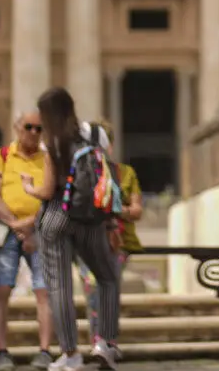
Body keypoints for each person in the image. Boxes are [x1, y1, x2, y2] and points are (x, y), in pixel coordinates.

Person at [21, 89, 121, 371]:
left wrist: (29, 186)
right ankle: (106, 343)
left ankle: (71, 354)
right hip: (91, 217)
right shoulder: (96, 134)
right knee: (107, 278)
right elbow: (107, 177)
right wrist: (111, 222)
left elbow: (48, 189)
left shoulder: (50, 140)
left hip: (56, 217)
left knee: (59, 287)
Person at [0, 111, 56, 370]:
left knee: (44, 292)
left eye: (40, 128)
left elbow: (52, 196)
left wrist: (29, 226)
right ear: (17, 127)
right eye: (29, 127)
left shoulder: (49, 158)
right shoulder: (1, 155)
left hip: (40, 230)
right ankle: (2, 351)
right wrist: (18, 226)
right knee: (2, 290)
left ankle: (45, 351)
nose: (34, 133)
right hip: (7, 230)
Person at [77, 125, 143, 363]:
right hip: (87, 241)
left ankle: (108, 341)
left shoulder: (125, 173)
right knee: (93, 287)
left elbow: (136, 210)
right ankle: (98, 341)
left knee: (110, 289)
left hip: (118, 243)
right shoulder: (79, 171)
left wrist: (111, 208)